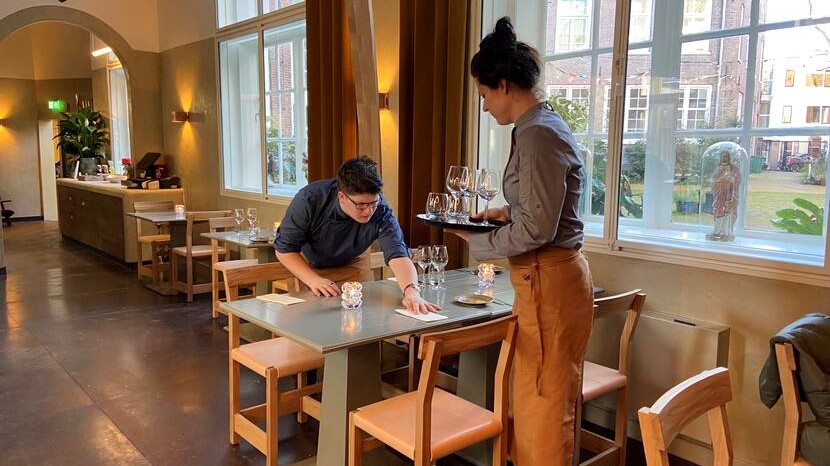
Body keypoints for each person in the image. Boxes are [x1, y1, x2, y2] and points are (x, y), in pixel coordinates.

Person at [448, 17, 594, 466]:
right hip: (548, 278)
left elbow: (538, 230)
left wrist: (476, 240)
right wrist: (503, 212)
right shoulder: (542, 126)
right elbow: (541, 208)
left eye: (485, 95)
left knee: (543, 404)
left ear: (505, 84)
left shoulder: (536, 135)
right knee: (537, 395)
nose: (486, 107)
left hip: (548, 280)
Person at [274, 155, 439, 314]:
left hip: (354, 263)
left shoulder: (380, 210)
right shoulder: (309, 199)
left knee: (361, 318)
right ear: (342, 197)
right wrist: (313, 280)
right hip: (310, 266)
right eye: (360, 205)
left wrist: (412, 291)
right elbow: (284, 249)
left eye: (373, 203)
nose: (368, 211)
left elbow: (398, 254)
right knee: (316, 324)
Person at [707, 150, 741, 241]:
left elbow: (736, 180)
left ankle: (726, 232)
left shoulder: (734, 169)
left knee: (728, 211)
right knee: (718, 210)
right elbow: (713, 180)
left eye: (726, 156)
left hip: (729, 193)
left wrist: (731, 180)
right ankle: (717, 231)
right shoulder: (718, 168)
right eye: (723, 156)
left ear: (729, 158)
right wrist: (720, 179)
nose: (724, 158)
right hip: (719, 194)